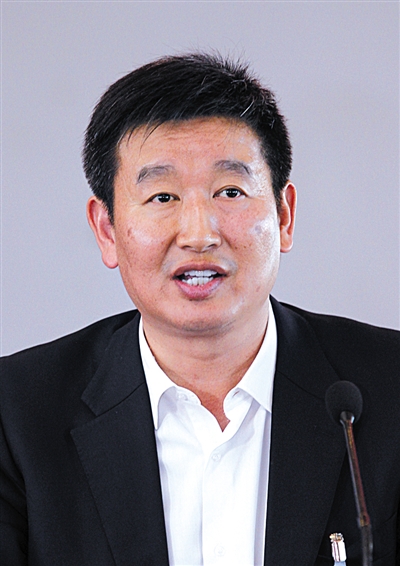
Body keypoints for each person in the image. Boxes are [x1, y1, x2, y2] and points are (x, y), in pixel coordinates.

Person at [0, 53, 399, 566]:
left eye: (230, 191)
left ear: (284, 216)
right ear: (107, 230)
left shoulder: (388, 387)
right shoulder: (16, 414)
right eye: (162, 197)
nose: (199, 234)